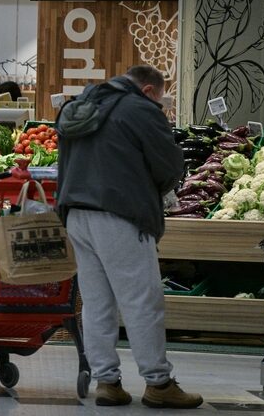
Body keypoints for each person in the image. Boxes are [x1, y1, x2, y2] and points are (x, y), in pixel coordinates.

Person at [56, 65, 203, 409]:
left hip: (76, 213)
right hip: (119, 212)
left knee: (96, 302)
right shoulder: (140, 109)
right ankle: (158, 382)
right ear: (150, 91)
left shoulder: (81, 103)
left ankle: (106, 381)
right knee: (142, 300)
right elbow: (169, 165)